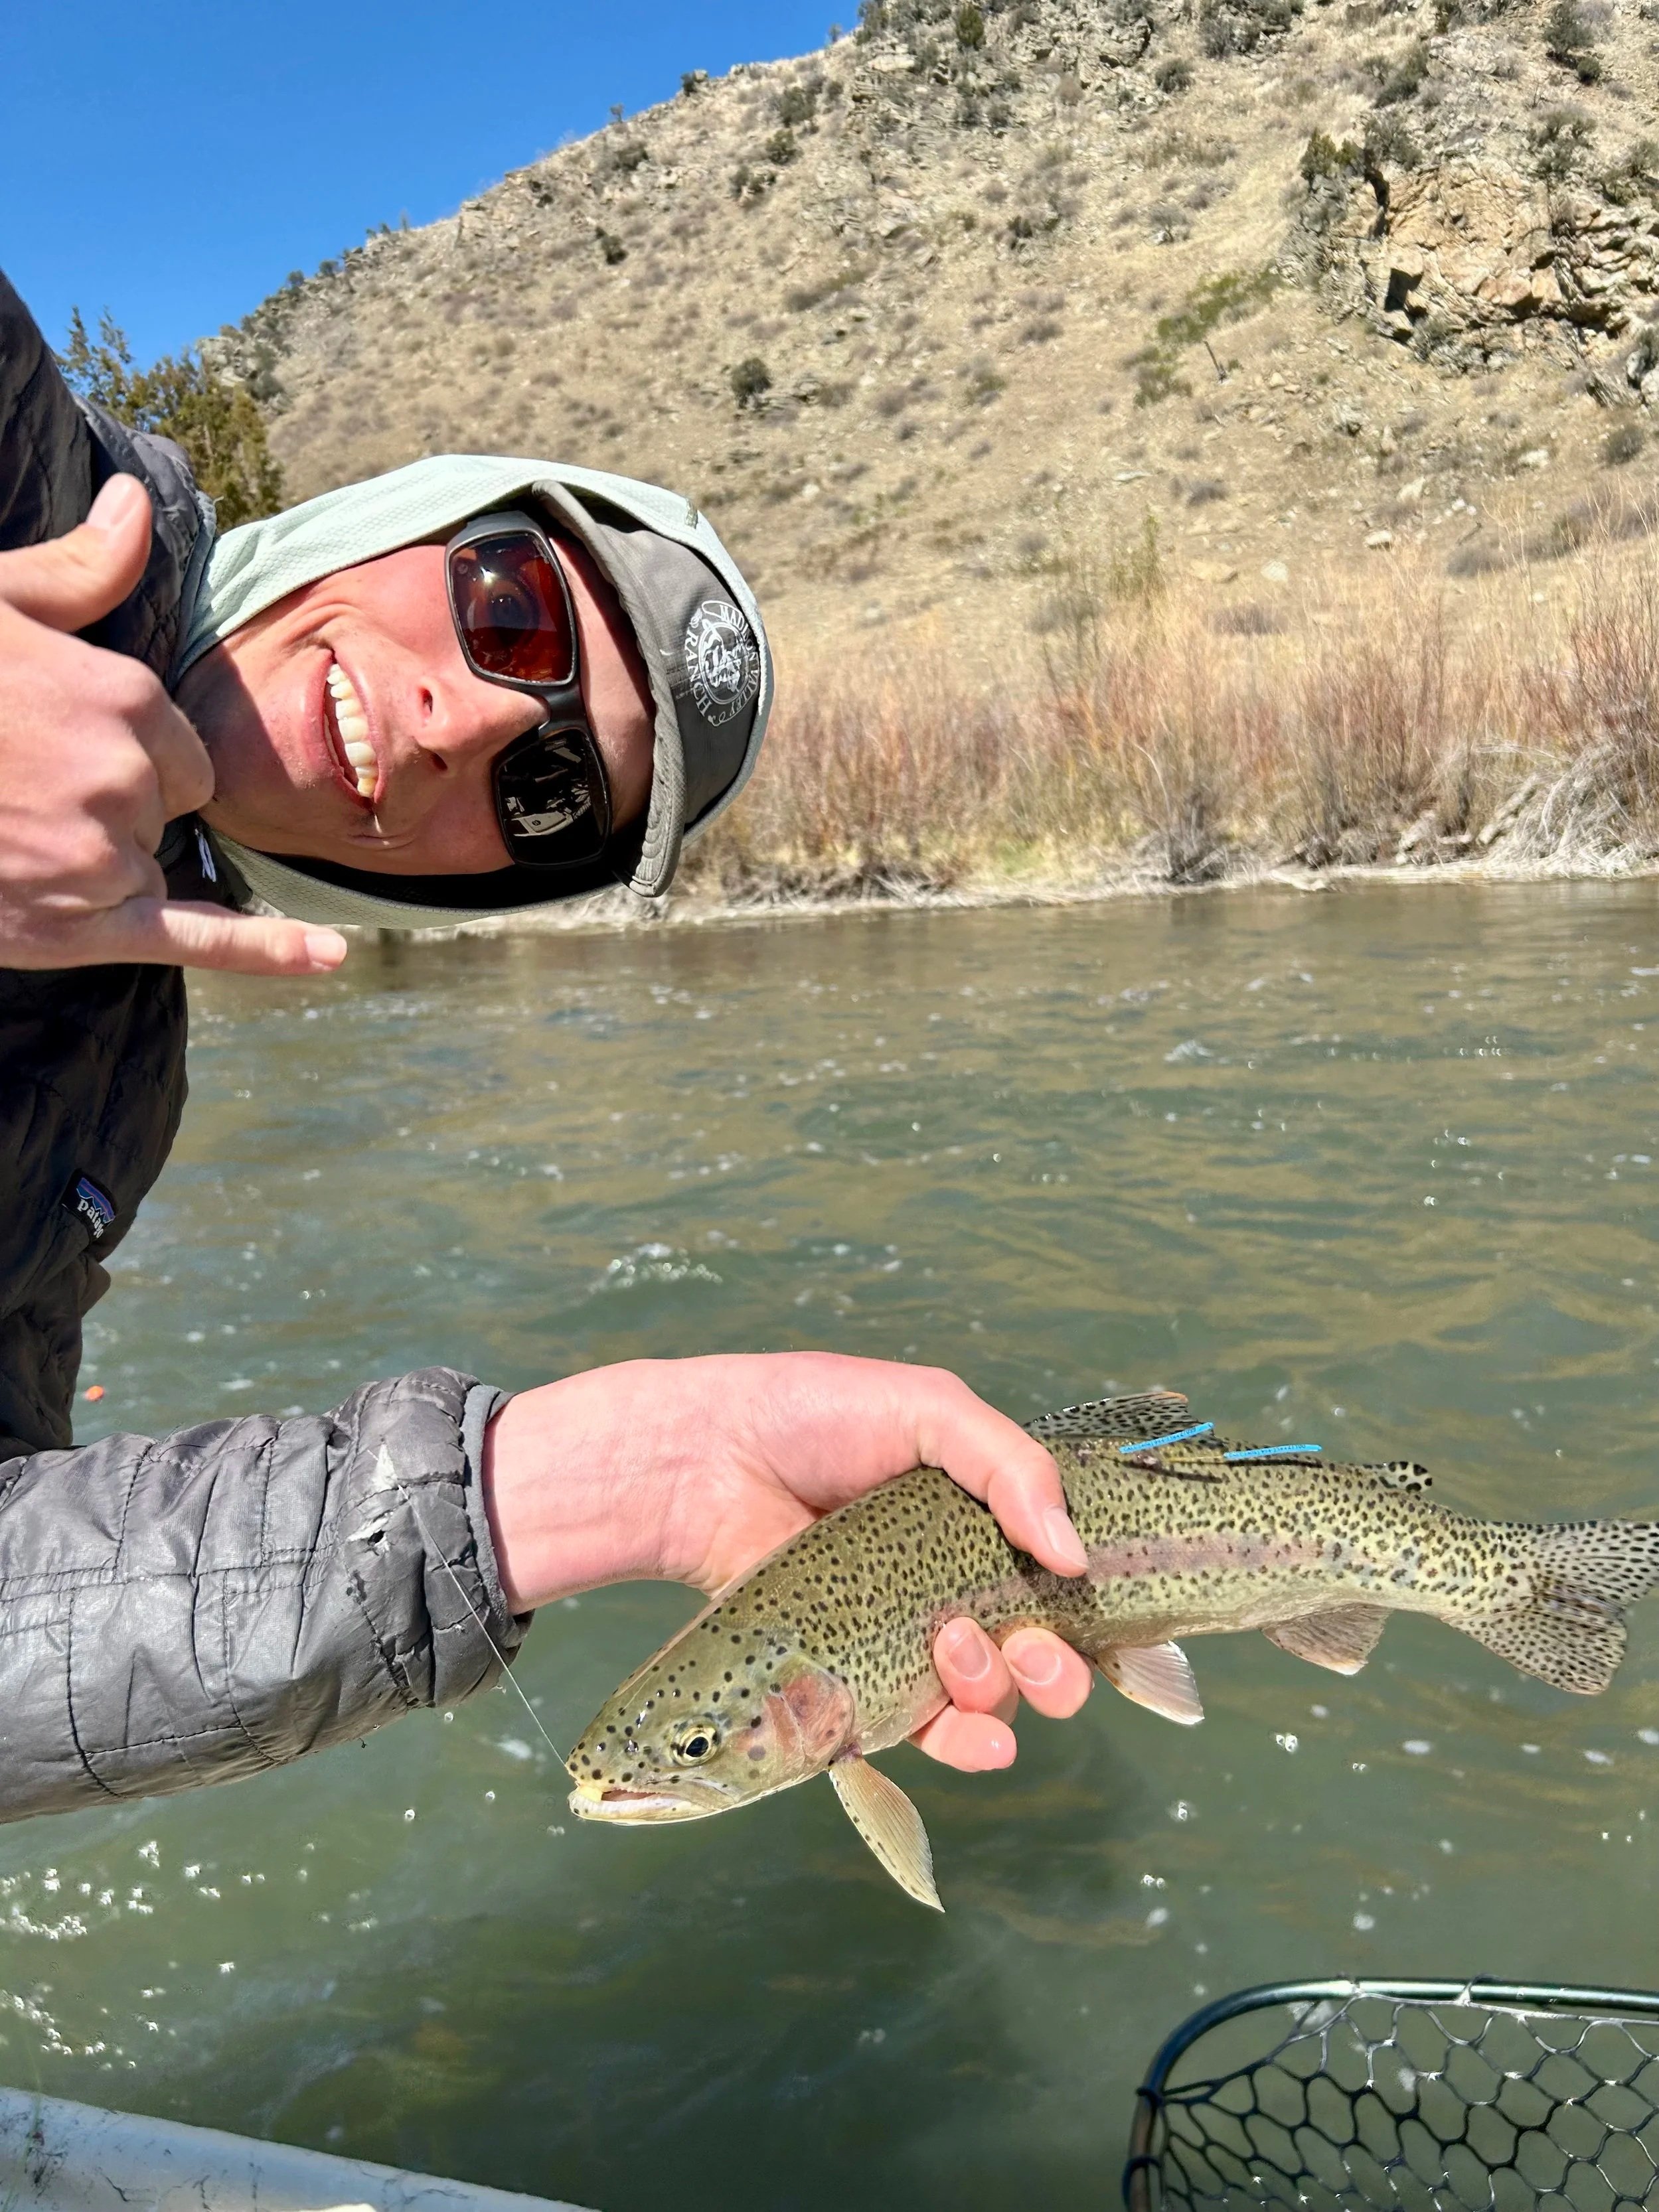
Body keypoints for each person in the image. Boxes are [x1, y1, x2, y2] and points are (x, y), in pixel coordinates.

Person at [0, 269, 1093, 1823]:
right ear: (406, 515)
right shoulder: (20, 461)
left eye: (544, 798)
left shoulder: (113, 1103)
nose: (463, 727)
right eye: (507, 609)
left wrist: (612, 1468)